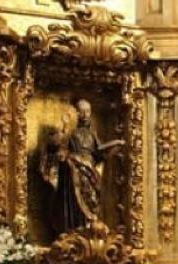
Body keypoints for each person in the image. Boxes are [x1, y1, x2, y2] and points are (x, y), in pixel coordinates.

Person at [40, 99, 124, 237]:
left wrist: (114, 146)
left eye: (88, 111)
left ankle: (89, 226)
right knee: (76, 196)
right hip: (74, 171)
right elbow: (56, 148)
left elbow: (98, 153)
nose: (86, 114)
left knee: (92, 197)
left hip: (90, 170)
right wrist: (67, 154)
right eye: (82, 111)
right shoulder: (70, 133)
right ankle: (76, 228)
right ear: (76, 113)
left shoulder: (92, 134)